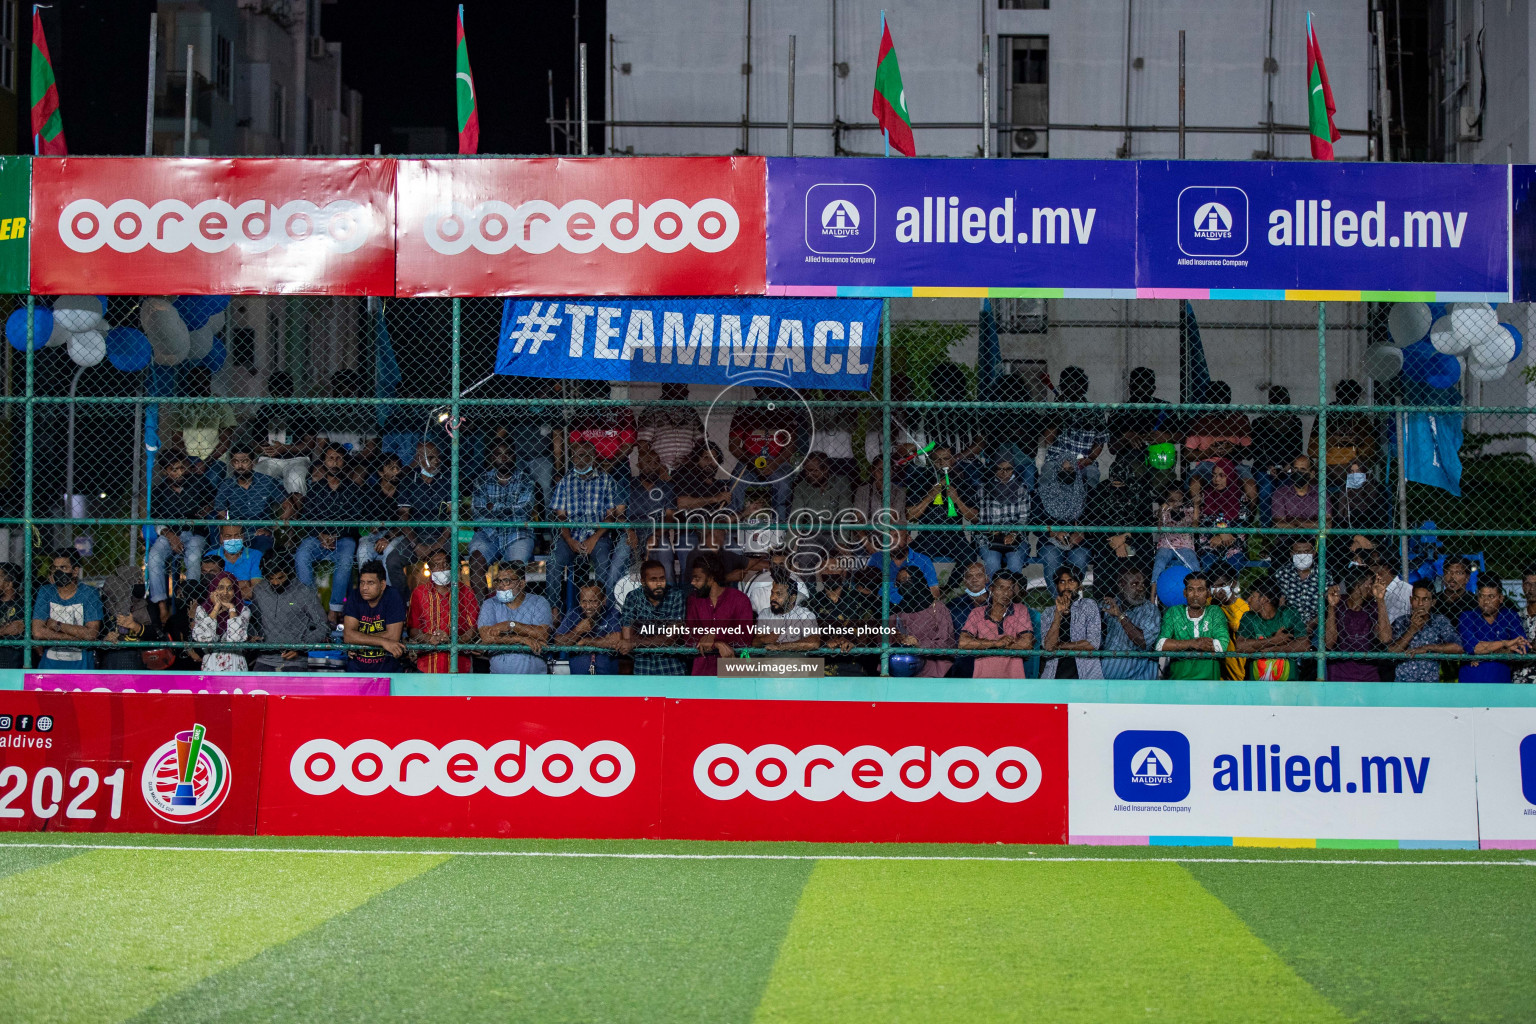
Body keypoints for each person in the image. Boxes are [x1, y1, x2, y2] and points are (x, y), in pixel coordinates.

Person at [547, 440, 623, 618]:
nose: (582, 460)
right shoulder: (565, 482)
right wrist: (569, 540)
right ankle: (555, 611)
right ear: (572, 458)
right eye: (578, 455)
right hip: (570, 535)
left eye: (587, 455)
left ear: (594, 457)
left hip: (598, 535)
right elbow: (561, 516)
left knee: (604, 563)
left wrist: (594, 538)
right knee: (553, 562)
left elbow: (610, 516)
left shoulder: (606, 481)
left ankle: (605, 612)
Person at [293, 444, 362, 622]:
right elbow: (307, 517)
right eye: (330, 458)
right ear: (324, 462)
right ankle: (310, 604)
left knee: (346, 557)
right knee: (302, 553)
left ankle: (335, 609)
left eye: (339, 458)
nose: (335, 463)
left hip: (343, 539)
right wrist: (321, 535)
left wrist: (335, 535)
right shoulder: (316, 489)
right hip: (318, 538)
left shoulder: (353, 489)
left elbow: (355, 520)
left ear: (344, 462)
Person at [467, 441, 539, 600]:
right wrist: (508, 509)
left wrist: (494, 507)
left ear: (514, 456)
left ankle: (514, 612)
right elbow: (478, 511)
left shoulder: (526, 480)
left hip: (517, 533)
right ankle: (485, 609)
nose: (504, 458)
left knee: (515, 569)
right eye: (499, 454)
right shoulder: (482, 481)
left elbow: (524, 510)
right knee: (476, 561)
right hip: (488, 533)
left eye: (507, 454)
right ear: (492, 458)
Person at [145, 454, 213, 618]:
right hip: (171, 533)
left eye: (182, 468)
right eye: (173, 470)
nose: (179, 473)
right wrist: (170, 535)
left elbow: (214, 501)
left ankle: (192, 603)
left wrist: (205, 509)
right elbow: (157, 520)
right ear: (165, 471)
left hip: (196, 532)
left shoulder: (199, 483)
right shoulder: (158, 491)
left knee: (193, 557)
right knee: (154, 557)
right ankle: (161, 605)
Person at [247, 554, 332, 672]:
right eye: (271, 578)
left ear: (289, 573)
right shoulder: (259, 590)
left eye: (280, 578)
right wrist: (252, 634)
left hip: (296, 660)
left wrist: (301, 647)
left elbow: (323, 625)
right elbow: (253, 619)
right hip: (264, 658)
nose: (275, 582)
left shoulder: (304, 592)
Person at [406, 549, 478, 673]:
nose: (441, 568)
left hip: (460, 662)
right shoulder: (419, 593)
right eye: (435, 565)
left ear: (451, 566)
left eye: (445, 564)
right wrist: (429, 638)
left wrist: (452, 641)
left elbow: (472, 630)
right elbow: (413, 629)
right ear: (430, 568)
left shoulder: (466, 592)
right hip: (427, 663)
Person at [476, 561, 553, 675]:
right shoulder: (490, 604)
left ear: (521, 584)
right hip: (499, 678)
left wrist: (511, 625)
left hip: (534, 679)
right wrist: (522, 639)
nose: (501, 586)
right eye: (498, 581)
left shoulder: (539, 602)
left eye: (507, 581)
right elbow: (487, 637)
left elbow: (542, 634)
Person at [31, 549, 103, 670]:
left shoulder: (89, 593)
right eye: (55, 568)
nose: (58, 572)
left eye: (63, 568)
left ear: (75, 571)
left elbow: (91, 634)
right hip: (50, 664)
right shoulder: (46, 591)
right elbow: (38, 632)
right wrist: (77, 637)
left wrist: (57, 625)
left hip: (81, 665)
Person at [211, 447, 291, 554]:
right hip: (236, 533)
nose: (240, 466)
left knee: (261, 549)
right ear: (231, 464)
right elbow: (221, 514)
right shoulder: (226, 486)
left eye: (244, 461)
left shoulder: (266, 482)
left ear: (253, 463)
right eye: (236, 462)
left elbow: (288, 506)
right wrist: (230, 534)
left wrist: (273, 529)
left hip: (262, 532)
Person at [684, 553, 754, 675]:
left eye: (697, 578)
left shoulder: (739, 599)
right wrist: (716, 644)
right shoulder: (694, 600)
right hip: (703, 671)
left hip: (733, 669)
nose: (692, 583)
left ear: (711, 578)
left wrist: (714, 637)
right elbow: (689, 637)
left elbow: (745, 638)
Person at [619, 559, 690, 675]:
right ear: (643, 581)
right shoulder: (633, 597)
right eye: (653, 580)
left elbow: (671, 638)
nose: (659, 584)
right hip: (643, 667)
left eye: (662, 578)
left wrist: (636, 642)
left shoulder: (676, 596)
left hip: (672, 667)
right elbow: (628, 637)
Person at [909, 445, 978, 564]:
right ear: (931, 461)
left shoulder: (962, 482)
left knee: (970, 558)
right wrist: (929, 497)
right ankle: (929, 583)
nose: (941, 463)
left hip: (955, 535)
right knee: (916, 558)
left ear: (952, 460)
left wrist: (957, 500)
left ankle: (952, 584)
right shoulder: (920, 481)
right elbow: (910, 516)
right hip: (927, 535)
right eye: (937, 459)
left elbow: (975, 517)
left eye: (945, 459)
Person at [1382, 581, 1463, 682]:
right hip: (1403, 684)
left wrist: (1427, 648)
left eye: (1425, 599)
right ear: (1411, 600)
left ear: (1433, 602)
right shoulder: (1401, 621)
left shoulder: (1440, 621)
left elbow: (1458, 647)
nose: (1420, 604)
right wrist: (1412, 629)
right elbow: (1392, 651)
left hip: (1430, 685)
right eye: (1416, 599)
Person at [1041, 365, 1108, 486]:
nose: (1072, 389)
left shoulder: (1095, 410)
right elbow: (1048, 439)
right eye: (1067, 385)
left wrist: (1089, 459)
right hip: (1057, 460)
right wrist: (1058, 412)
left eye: (1077, 385)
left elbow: (1099, 442)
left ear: (1083, 387)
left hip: (1083, 462)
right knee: (1047, 472)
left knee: (1092, 473)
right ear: (1062, 387)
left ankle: (1088, 505)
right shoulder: (1055, 408)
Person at [958, 571, 1034, 679]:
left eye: (1009, 588)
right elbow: (963, 642)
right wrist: (996, 643)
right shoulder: (977, 613)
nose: (1006, 593)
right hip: (984, 678)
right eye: (1001, 588)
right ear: (992, 589)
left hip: (1013, 677)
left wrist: (983, 644)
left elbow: (1027, 644)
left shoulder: (1020, 610)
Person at [1233, 578, 1311, 681]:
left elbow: (1304, 645)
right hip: (1257, 684)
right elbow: (1239, 646)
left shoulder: (1287, 614)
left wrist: (1272, 649)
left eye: (1253, 596)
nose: (1249, 599)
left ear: (1264, 599)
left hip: (1288, 683)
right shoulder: (1249, 617)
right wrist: (1274, 641)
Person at [1156, 572, 1230, 681]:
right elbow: (1160, 645)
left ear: (1208, 593)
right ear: (1185, 593)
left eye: (1200, 590)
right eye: (1191, 589)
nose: (1195, 594)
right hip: (1179, 680)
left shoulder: (1214, 612)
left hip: (1209, 681)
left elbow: (1222, 645)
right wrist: (1193, 643)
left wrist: (1177, 645)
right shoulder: (1174, 612)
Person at [1083, 458, 1149, 580]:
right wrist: (1114, 540)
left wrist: (1124, 538)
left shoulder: (1139, 491)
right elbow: (1094, 518)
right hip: (1107, 536)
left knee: (1141, 550)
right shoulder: (1102, 489)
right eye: (1114, 484)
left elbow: (1146, 520)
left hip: (1134, 535)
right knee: (1103, 552)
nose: (1117, 487)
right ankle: (1106, 596)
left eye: (1121, 484)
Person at [1457, 577, 1530, 683]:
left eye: (1491, 596)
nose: (1486, 601)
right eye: (1482, 596)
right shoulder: (1467, 616)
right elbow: (1474, 647)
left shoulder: (1510, 616)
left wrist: (1483, 652)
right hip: (1471, 681)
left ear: (1501, 598)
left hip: (1501, 682)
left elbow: (1523, 646)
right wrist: (1505, 644)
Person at [1250, 385, 1304, 527]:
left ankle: (1284, 529)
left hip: (1287, 468)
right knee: (1266, 490)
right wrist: (1269, 466)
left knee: (1285, 489)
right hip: (1264, 467)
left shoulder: (1295, 423)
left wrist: (1288, 465)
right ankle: (1267, 530)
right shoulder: (1259, 423)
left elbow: (1297, 450)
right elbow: (1256, 450)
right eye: (1276, 401)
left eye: (1283, 401)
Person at [1036, 456, 1090, 597]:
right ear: (1056, 471)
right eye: (1063, 469)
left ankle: (1071, 599)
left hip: (1077, 542)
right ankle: (1058, 603)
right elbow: (1035, 520)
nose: (1067, 472)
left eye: (1071, 469)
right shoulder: (1044, 491)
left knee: (1081, 556)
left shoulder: (1084, 490)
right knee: (1051, 556)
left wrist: (1081, 533)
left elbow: (1091, 518)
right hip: (1050, 540)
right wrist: (1054, 532)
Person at [341, 561, 407, 673]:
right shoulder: (355, 596)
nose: (364, 588)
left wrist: (358, 640)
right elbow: (348, 636)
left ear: (382, 585)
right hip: (357, 670)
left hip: (387, 670)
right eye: (362, 582)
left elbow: (393, 636)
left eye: (370, 583)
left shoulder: (393, 597)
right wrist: (383, 642)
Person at [1039, 564, 1102, 679]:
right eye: (1062, 582)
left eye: (1071, 581)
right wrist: (1058, 613)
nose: (1067, 586)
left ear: (1079, 585)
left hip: (1086, 674)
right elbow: (1048, 646)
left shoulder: (1088, 605)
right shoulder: (1048, 613)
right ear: (1057, 586)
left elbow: (1093, 643)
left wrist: (1060, 646)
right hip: (1055, 675)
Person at [1100, 566, 1160, 681]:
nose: (1141, 588)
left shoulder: (1150, 610)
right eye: (1134, 584)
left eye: (1143, 584)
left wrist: (1120, 616)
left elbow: (1143, 641)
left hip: (1137, 680)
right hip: (1106, 679)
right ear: (1121, 586)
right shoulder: (1109, 605)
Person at [1197, 458, 1256, 572]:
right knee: (1208, 563)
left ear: (1230, 476)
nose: (1216, 479)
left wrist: (1223, 533)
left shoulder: (1241, 497)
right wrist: (1221, 532)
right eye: (1214, 475)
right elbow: (1203, 521)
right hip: (1211, 543)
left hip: (1233, 544)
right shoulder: (1206, 496)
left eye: (1222, 475)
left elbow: (1242, 523)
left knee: (1235, 563)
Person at [1324, 569, 1383, 682]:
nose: (1373, 588)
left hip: (1368, 670)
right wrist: (1331, 607)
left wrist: (1381, 600)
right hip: (1339, 669)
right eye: (1370, 584)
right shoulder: (1339, 604)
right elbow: (1329, 643)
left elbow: (1385, 638)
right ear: (1358, 585)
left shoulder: (1373, 607)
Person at [976, 456, 1031, 577]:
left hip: (1016, 537)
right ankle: (994, 594)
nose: (1004, 473)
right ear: (994, 470)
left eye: (1008, 469)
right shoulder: (984, 489)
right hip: (989, 538)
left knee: (1015, 563)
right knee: (992, 562)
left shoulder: (1021, 489)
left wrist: (1013, 534)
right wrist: (991, 531)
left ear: (1014, 470)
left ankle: (1013, 593)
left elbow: (1024, 519)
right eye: (999, 469)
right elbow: (981, 519)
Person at [552, 582, 622, 674]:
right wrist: (577, 631)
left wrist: (586, 641)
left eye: (593, 601)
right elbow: (558, 641)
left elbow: (615, 640)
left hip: (606, 678)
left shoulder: (612, 614)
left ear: (603, 600)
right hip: (579, 678)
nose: (588, 606)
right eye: (584, 601)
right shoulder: (574, 614)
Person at [1309, 378, 1379, 470]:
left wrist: (1357, 440)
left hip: (1353, 466)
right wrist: (1334, 440)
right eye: (1343, 399)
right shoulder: (1326, 415)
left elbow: (1371, 451)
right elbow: (1312, 451)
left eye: (1351, 400)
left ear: (1356, 399)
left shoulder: (1360, 417)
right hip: (1329, 466)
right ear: (1337, 397)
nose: (1346, 405)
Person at [635, 382, 705, 473]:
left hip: (687, 468)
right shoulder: (651, 411)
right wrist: (656, 467)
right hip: (660, 469)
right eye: (680, 386)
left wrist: (692, 458)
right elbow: (642, 445)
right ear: (668, 386)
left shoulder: (690, 412)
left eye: (685, 386)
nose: (686, 390)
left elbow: (701, 443)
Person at [893, 575, 954, 676]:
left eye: (908, 580)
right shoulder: (899, 611)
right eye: (900, 582)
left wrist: (919, 644)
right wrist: (900, 639)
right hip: (906, 667)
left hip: (935, 668)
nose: (905, 584)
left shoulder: (937, 608)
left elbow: (946, 642)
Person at [189, 571, 251, 672]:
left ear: (235, 591)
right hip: (211, 664)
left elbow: (235, 639)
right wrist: (216, 608)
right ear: (213, 590)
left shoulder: (243, 611)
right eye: (220, 588)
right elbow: (204, 638)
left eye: (230, 588)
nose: (225, 592)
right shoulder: (202, 610)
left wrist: (231, 608)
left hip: (235, 665)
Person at [867, 530, 940, 608]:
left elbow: (934, 590)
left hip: (913, 609)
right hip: (883, 607)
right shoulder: (876, 558)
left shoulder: (923, 560)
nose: (892, 540)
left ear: (909, 539)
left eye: (897, 536)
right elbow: (865, 587)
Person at [1183, 381, 1251, 463]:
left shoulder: (1239, 419)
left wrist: (1233, 448)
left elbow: (1249, 454)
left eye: (1224, 400)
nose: (1221, 404)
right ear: (1209, 401)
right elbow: (1188, 455)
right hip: (1207, 464)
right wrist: (1210, 451)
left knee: (1246, 475)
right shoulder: (1199, 422)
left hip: (1233, 464)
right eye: (1216, 401)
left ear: (1229, 400)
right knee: (1197, 475)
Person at [758, 574, 822, 654]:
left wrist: (780, 647)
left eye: (779, 594)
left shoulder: (805, 615)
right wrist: (764, 639)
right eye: (772, 593)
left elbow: (814, 642)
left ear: (792, 598)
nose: (772, 598)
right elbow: (755, 642)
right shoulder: (765, 613)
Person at [1150, 481, 1200, 584]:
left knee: (1193, 563)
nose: (1176, 504)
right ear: (1166, 500)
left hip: (1184, 545)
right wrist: (1163, 509)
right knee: (1159, 563)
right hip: (1166, 545)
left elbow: (1195, 525)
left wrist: (1196, 506)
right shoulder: (1164, 511)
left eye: (1179, 500)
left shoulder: (1188, 511)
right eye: (1172, 501)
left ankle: (1198, 586)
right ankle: (1153, 594)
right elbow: (1159, 525)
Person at [1206, 564, 1250, 680]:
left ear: (1233, 583)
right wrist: (1215, 605)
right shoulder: (1208, 603)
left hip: (1236, 669)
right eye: (1214, 586)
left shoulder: (1243, 608)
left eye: (1222, 585)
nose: (1218, 590)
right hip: (1214, 669)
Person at [1273, 537, 1322, 634]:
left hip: (1318, 626)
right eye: (1298, 552)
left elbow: (1327, 605)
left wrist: (1312, 624)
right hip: (1289, 626)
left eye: (1306, 551)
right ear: (1291, 554)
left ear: (1314, 553)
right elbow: (1281, 603)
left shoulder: (1323, 574)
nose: (1302, 556)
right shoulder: (1282, 574)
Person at [1330, 459, 1392, 532]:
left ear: (1365, 472)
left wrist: (1364, 539)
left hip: (1373, 536)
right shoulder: (1343, 494)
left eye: (1358, 471)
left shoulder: (1378, 491)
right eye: (1351, 471)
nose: (1355, 475)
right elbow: (1338, 523)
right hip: (1349, 538)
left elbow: (1382, 521)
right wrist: (1355, 537)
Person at [1270, 455, 1322, 531]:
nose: (1298, 472)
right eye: (1295, 469)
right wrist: (1311, 524)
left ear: (1312, 474)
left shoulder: (1320, 494)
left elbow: (1327, 524)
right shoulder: (1280, 493)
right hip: (1287, 540)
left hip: (1313, 540)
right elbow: (1279, 524)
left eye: (1303, 469)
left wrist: (1296, 522)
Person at [213, 524, 264, 599]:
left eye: (237, 535)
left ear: (243, 537)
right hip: (217, 606)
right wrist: (245, 583)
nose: (233, 540)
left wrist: (224, 591)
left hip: (249, 605)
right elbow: (210, 590)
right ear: (221, 538)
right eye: (228, 536)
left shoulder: (255, 555)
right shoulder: (212, 555)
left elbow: (255, 590)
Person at [1365, 550, 1412, 625]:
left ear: (1386, 567)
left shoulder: (1404, 591)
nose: (1368, 568)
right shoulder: (1369, 589)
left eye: (1372, 564)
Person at [0, 563, 25, 668]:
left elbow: (16, 628)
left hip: (12, 659)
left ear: (9, 584)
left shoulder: (22, 605)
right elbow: (10, 629)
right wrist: (4, 630)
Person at [1517, 566, 1536, 684]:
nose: (1533, 589)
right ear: (1523, 586)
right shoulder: (1515, 617)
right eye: (1528, 584)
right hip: (1519, 679)